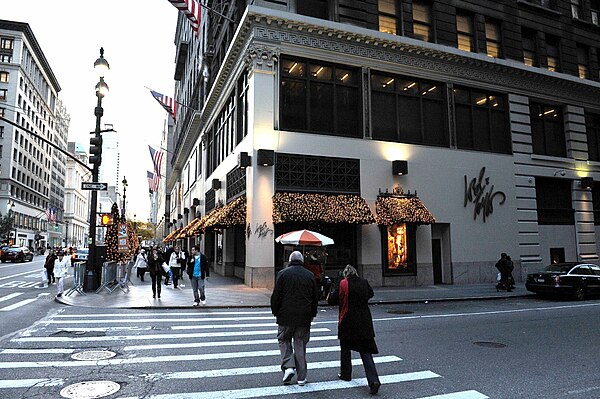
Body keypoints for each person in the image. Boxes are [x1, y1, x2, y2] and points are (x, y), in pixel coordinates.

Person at [328, 265, 381, 395]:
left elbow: (332, 300)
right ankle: (374, 380)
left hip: (347, 321)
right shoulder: (364, 282)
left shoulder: (343, 284)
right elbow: (371, 294)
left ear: (346, 274)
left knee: (345, 349)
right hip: (364, 322)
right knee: (365, 352)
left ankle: (346, 374)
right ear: (356, 273)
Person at [270, 251, 319, 387]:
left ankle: (289, 366)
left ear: (290, 260)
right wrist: (312, 314)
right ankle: (302, 377)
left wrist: (275, 311)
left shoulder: (283, 274)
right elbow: (315, 298)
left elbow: (276, 296)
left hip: (285, 316)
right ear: (302, 261)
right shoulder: (309, 275)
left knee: (283, 339)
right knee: (300, 344)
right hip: (304, 317)